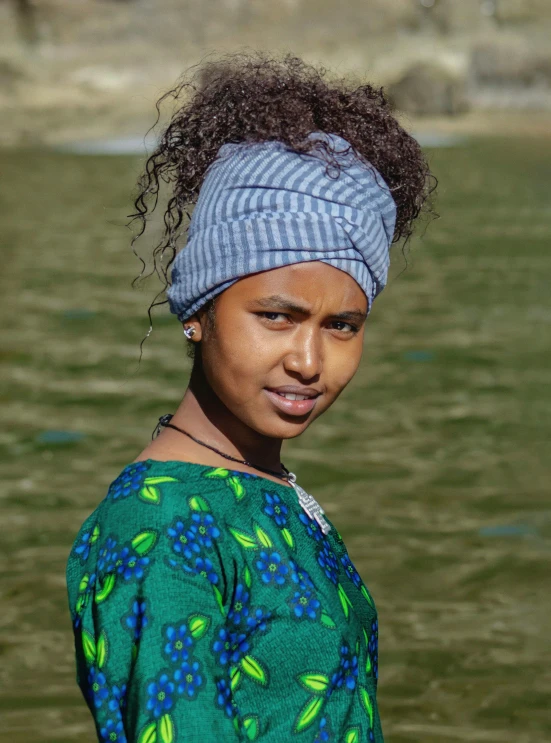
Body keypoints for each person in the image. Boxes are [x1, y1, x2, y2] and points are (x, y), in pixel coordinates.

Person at [66, 51, 435, 743]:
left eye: (342, 326)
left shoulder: (260, 488)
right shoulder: (165, 524)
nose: (307, 360)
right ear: (198, 310)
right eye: (275, 315)